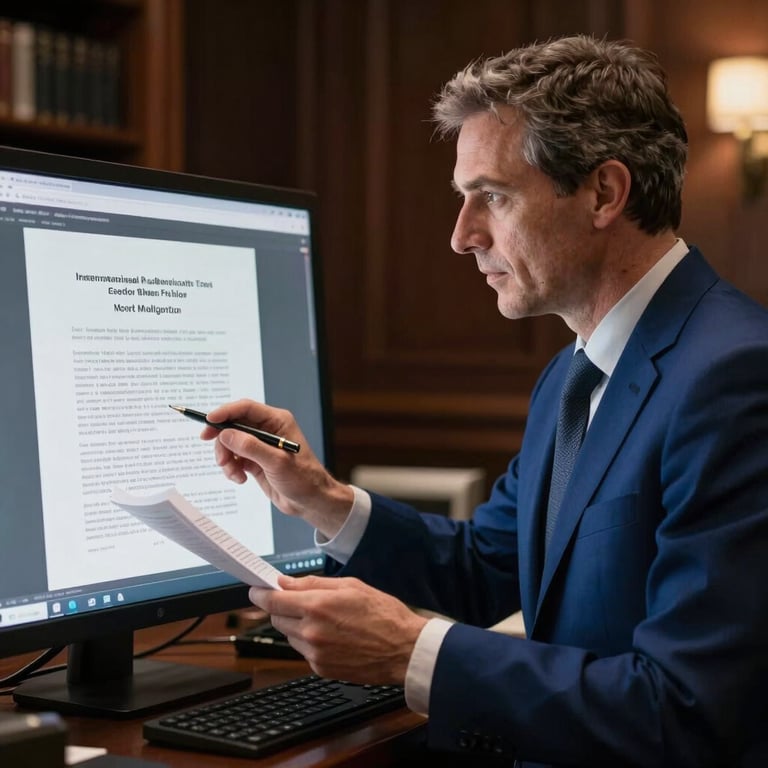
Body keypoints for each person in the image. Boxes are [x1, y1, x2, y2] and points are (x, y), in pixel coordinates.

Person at [201, 34, 768, 768]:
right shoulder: (575, 373)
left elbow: (687, 711)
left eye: (492, 197)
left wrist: (413, 651)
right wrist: (323, 500)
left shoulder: (735, 377)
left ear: (604, 193)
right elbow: (489, 565)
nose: (461, 237)